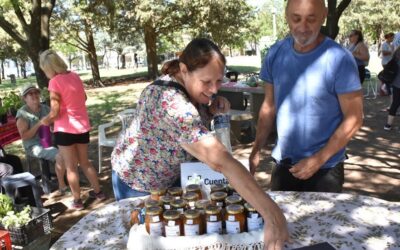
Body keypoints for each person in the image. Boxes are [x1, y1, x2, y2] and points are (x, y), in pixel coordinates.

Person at [111, 38, 289, 248]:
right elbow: (221, 161)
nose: (214, 90)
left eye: (219, 81)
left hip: (170, 179)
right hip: (138, 184)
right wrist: (273, 214)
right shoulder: (169, 100)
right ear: (184, 70)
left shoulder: (184, 85)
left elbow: (186, 127)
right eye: (207, 82)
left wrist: (209, 109)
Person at [250, 0, 363, 193]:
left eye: (311, 19)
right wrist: (256, 149)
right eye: (296, 18)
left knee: (324, 223)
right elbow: (269, 106)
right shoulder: (275, 54)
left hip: (326, 168)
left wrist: (318, 159)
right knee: (278, 222)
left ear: (324, 15)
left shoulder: (340, 59)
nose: (303, 27)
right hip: (283, 163)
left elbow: (354, 118)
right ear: (286, 16)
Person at [39, 50, 106, 210]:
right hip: (82, 126)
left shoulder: (54, 82)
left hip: (65, 130)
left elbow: (54, 113)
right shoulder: (75, 76)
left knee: (71, 167)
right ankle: (98, 192)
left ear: (49, 67)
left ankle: (77, 201)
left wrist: (44, 121)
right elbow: (84, 98)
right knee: (85, 162)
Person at [16, 84, 68, 195]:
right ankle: (62, 185)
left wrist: (53, 126)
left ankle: (69, 178)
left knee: (70, 150)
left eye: (36, 92)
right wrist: (40, 123)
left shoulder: (45, 108)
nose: (34, 95)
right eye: (30, 94)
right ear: (24, 98)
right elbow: (24, 136)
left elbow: (55, 122)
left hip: (49, 141)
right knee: (61, 156)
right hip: (33, 146)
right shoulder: (22, 114)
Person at [383, 47, 400, 131]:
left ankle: (388, 124)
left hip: (396, 83)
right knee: (395, 103)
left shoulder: (397, 52)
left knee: (395, 103)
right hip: (397, 83)